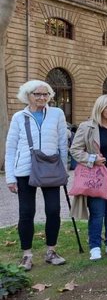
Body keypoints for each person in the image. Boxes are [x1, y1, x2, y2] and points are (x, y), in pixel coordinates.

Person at [5, 80, 68, 270]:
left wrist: (63, 170)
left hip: (50, 170)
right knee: (26, 213)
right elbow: (11, 148)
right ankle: (27, 255)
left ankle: (51, 251)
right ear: (27, 96)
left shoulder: (57, 114)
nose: (42, 98)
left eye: (45, 94)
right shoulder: (19, 117)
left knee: (53, 210)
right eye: (37, 94)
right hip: (24, 170)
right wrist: (10, 176)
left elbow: (63, 143)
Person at [71, 95, 107, 260]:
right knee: (97, 211)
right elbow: (75, 150)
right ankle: (95, 246)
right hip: (97, 174)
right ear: (100, 108)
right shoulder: (87, 127)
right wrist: (92, 159)